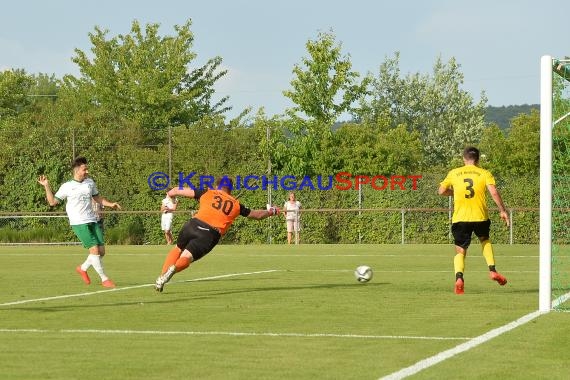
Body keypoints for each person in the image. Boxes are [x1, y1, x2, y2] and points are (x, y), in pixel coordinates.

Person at [154, 176, 281, 292]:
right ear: (230, 190)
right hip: (209, 234)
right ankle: (173, 269)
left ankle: (161, 277)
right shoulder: (236, 205)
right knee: (186, 257)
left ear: (217, 186)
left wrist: (171, 194)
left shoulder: (206, 192)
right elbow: (256, 215)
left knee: (178, 249)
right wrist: (272, 211)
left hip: (193, 224)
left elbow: (177, 190)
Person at [38, 156, 122, 288]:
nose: (87, 171)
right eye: (85, 169)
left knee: (101, 251)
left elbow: (97, 198)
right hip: (79, 222)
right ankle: (104, 279)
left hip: (92, 220)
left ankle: (82, 268)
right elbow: (52, 202)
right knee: (94, 250)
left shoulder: (90, 182)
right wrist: (47, 186)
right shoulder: (67, 186)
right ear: (77, 170)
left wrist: (111, 204)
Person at [438, 146, 510, 295]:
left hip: (460, 218)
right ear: (478, 159)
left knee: (460, 249)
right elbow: (494, 192)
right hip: (480, 216)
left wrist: (455, 192)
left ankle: (459, 278)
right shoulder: (485, 173)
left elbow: (441, 191)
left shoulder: (454, 173)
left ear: (464, 158)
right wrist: (503, 210)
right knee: (485, 240)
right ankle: (492, 270)